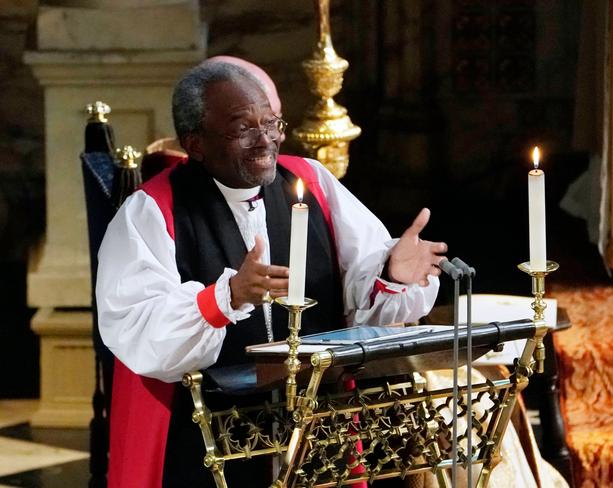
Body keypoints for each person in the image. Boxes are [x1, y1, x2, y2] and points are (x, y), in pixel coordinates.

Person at [96, 59, 448, 487]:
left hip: (315, 426)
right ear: (196, 143)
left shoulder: (310, 181)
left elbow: (360, 290)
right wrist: (225, 299)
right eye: (243, 128)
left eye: (272, 123)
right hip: (205, 439)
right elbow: (137, 327)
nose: (266, 141)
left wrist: (393, 273)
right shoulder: (152, 210)